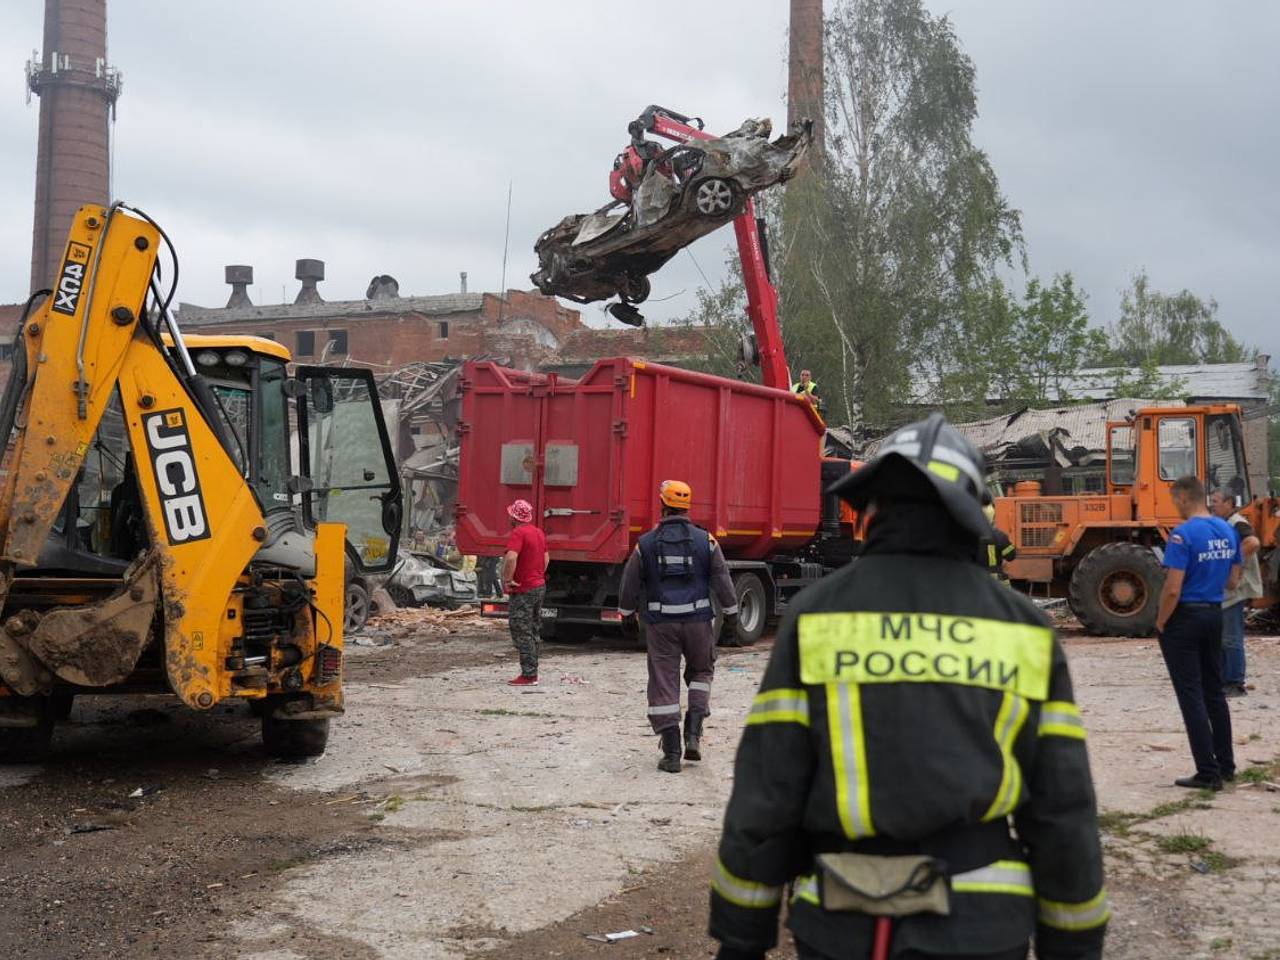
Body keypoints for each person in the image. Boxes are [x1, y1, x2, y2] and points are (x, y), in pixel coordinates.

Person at [709, 413, 1107, 960]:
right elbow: (1063, 810)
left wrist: (741, 937)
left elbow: (765, 795)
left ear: (871, 511)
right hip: (982, 928)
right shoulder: (1023, 629)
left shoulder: (815, 617)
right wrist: (1076, 945)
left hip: (841, 926)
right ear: (970, 512)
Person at [618, 480, 738, 773]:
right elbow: (722, 578)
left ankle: (671, 753)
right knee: (701, 672)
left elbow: (630, 583)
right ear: (687, 506)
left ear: (662, 504)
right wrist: (732, 615)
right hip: (698, 623)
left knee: (663, 681)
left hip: (661, 626)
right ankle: (694, 733)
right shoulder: (706, 541)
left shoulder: (645, 544)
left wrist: (626, 615)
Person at [1155, 476, 1241, 789]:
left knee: (1191, 695)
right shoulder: (1227, 529)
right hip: (1214, 614)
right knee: (1215, 692)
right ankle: (1226, 764)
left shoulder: (1181, 535)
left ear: (1182, 498)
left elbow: (1172, 588)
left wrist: (1161, 621)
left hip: (1185, 619)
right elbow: (1233, 581)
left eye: (1174, 500)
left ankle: (1207, 772)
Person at [1209, 487, 1262, 697]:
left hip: (1236, 587)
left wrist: (1231, 563)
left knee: (1231, 637)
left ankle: (1235, 682)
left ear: (1230, 504)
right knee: (1223, 636)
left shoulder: (1237, 523)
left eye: (1216, 501)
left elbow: (1253, 543)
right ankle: (1224, 680)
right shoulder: (1225, 524)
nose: (1212, 505)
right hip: (1229, 587)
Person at [502, 499, 548, 686]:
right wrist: (537, 574)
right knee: (533, 628)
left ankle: (529, 674)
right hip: (538, 585)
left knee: (520, 629)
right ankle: (532, 670)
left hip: (524, 588)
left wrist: (508, 579)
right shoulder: (538, 532)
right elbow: (546, 558)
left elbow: (511, 558)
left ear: (514, 517)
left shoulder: (518, 533)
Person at [981, 501, 1017, 580]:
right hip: (996, 580)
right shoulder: (1000, 536)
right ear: (993, 516)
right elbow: (1011, 556)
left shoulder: (966, 536)